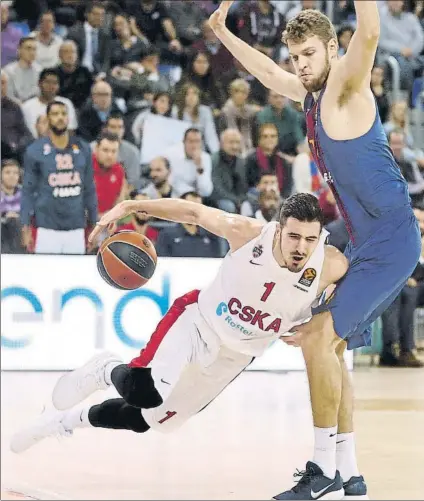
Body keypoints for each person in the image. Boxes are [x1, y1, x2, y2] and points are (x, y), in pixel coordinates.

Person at [208, 1, 421, 500]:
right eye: (295, 56)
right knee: (334, 348)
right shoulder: (309, 96)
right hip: (365, 243)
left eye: (309, 54)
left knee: (317, 338)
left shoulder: (346, 87)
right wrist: (221, 30)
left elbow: (368, 30)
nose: (300, 64)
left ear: (330, 49)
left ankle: (322, 467)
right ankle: (349, 471)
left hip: (390, 243)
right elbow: (265, 71)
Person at [12, 194, 346, 486]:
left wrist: (319, 323)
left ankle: (62, 422)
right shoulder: (248, 235)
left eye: (309, 239)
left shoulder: (331, 265)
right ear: (278, 229)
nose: (301, 247)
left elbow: (355, 294)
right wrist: (132, 205)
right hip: (197, 323)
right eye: (293, 237)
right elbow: (194, 213)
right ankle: (104, 368)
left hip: (235, 358)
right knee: (144, 390)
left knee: (147, 421)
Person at [20, 100, 97, 255]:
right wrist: (25, 225)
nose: (60, 117)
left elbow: (89, 188)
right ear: (47, 119)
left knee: (75, 277)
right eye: (55, 114)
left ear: (69, 118)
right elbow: (27, 190)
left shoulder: (83, 148)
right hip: (46, 228)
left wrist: (94, 224)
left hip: (76, 226)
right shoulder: (35, 151)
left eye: (63, 113)